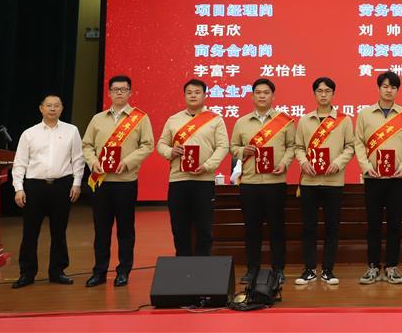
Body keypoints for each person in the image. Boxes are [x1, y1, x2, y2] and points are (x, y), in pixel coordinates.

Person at [81, 75, 154, 287]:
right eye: (115, 89)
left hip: (125, 181)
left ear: (130, 92)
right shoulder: (98, 119)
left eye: (123, 89)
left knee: (125, 229)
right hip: (101, 182)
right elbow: (87, 145)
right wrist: (93, 162)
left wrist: (128, 162)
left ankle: (123, 271)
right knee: (101, 230)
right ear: (109, 93)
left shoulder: (140, 118)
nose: (119, 93)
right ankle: (99, 271)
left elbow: (147, 145)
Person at [11, 94, 85, 288]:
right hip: (34, 187)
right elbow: (20, 163)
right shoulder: (29, 133)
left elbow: (78, 159)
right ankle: (27, 273)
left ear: (62, 109)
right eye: (49, 105)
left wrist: (77, 183)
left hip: (62, 186)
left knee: (59, 231)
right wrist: (19, 188)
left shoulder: (71, 131)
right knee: (30, 232)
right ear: (41, 108)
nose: (53, 109)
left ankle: (57, 271)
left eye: (56, 105)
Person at [353, 71, 402, 285]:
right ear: (378, 88)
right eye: (385, 86)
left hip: (397, 179)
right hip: (373, 178)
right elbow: (359, 143)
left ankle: (391, 266)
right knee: (373, 224)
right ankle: (372, 267)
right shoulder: (365, 114)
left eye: (393, 87)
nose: (389, 90)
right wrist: (366, 166)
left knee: (395, 224)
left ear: (398, 90)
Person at [230, 78, 295, 284]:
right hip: (249, 183)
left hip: (275, 182)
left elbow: (292, 147)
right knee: (252, 229)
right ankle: (252, 269)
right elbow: (233, 148)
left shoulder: (285, 121)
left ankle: (278, 269)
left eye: (266, 92)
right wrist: (243, 150)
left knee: (277, 229)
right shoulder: (242, 122)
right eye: (258, 92)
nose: (262, 96)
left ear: (273, 96)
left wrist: (284, 164)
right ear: (252, 96)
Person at [293, 77, 354, 286]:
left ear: (333, 94)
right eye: (319, 91)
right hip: (309, 182)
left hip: (333, 181)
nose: (323, 94)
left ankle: (328, 269)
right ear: (314, 94)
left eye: (327, 91)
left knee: (332, 227)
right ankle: (309, 269)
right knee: (309, 227)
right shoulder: (304, 120)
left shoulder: (344, 120)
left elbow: (350, 146)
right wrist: (303, 162)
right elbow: (298, 147)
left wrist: (338, 162)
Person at [157, 79, 229, 256]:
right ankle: (183, 263)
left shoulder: (215, 119)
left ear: (204, 95)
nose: (193, 95)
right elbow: (161, 144)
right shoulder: (173, 120)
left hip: (204, 180)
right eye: (189, 92)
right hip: (178, 180)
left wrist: (207, 166)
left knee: (204, 227)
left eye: (197, 92)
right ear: (184, 96)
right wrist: (171, 151)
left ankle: (202, 264)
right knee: (179, 227)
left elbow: (223, 146)